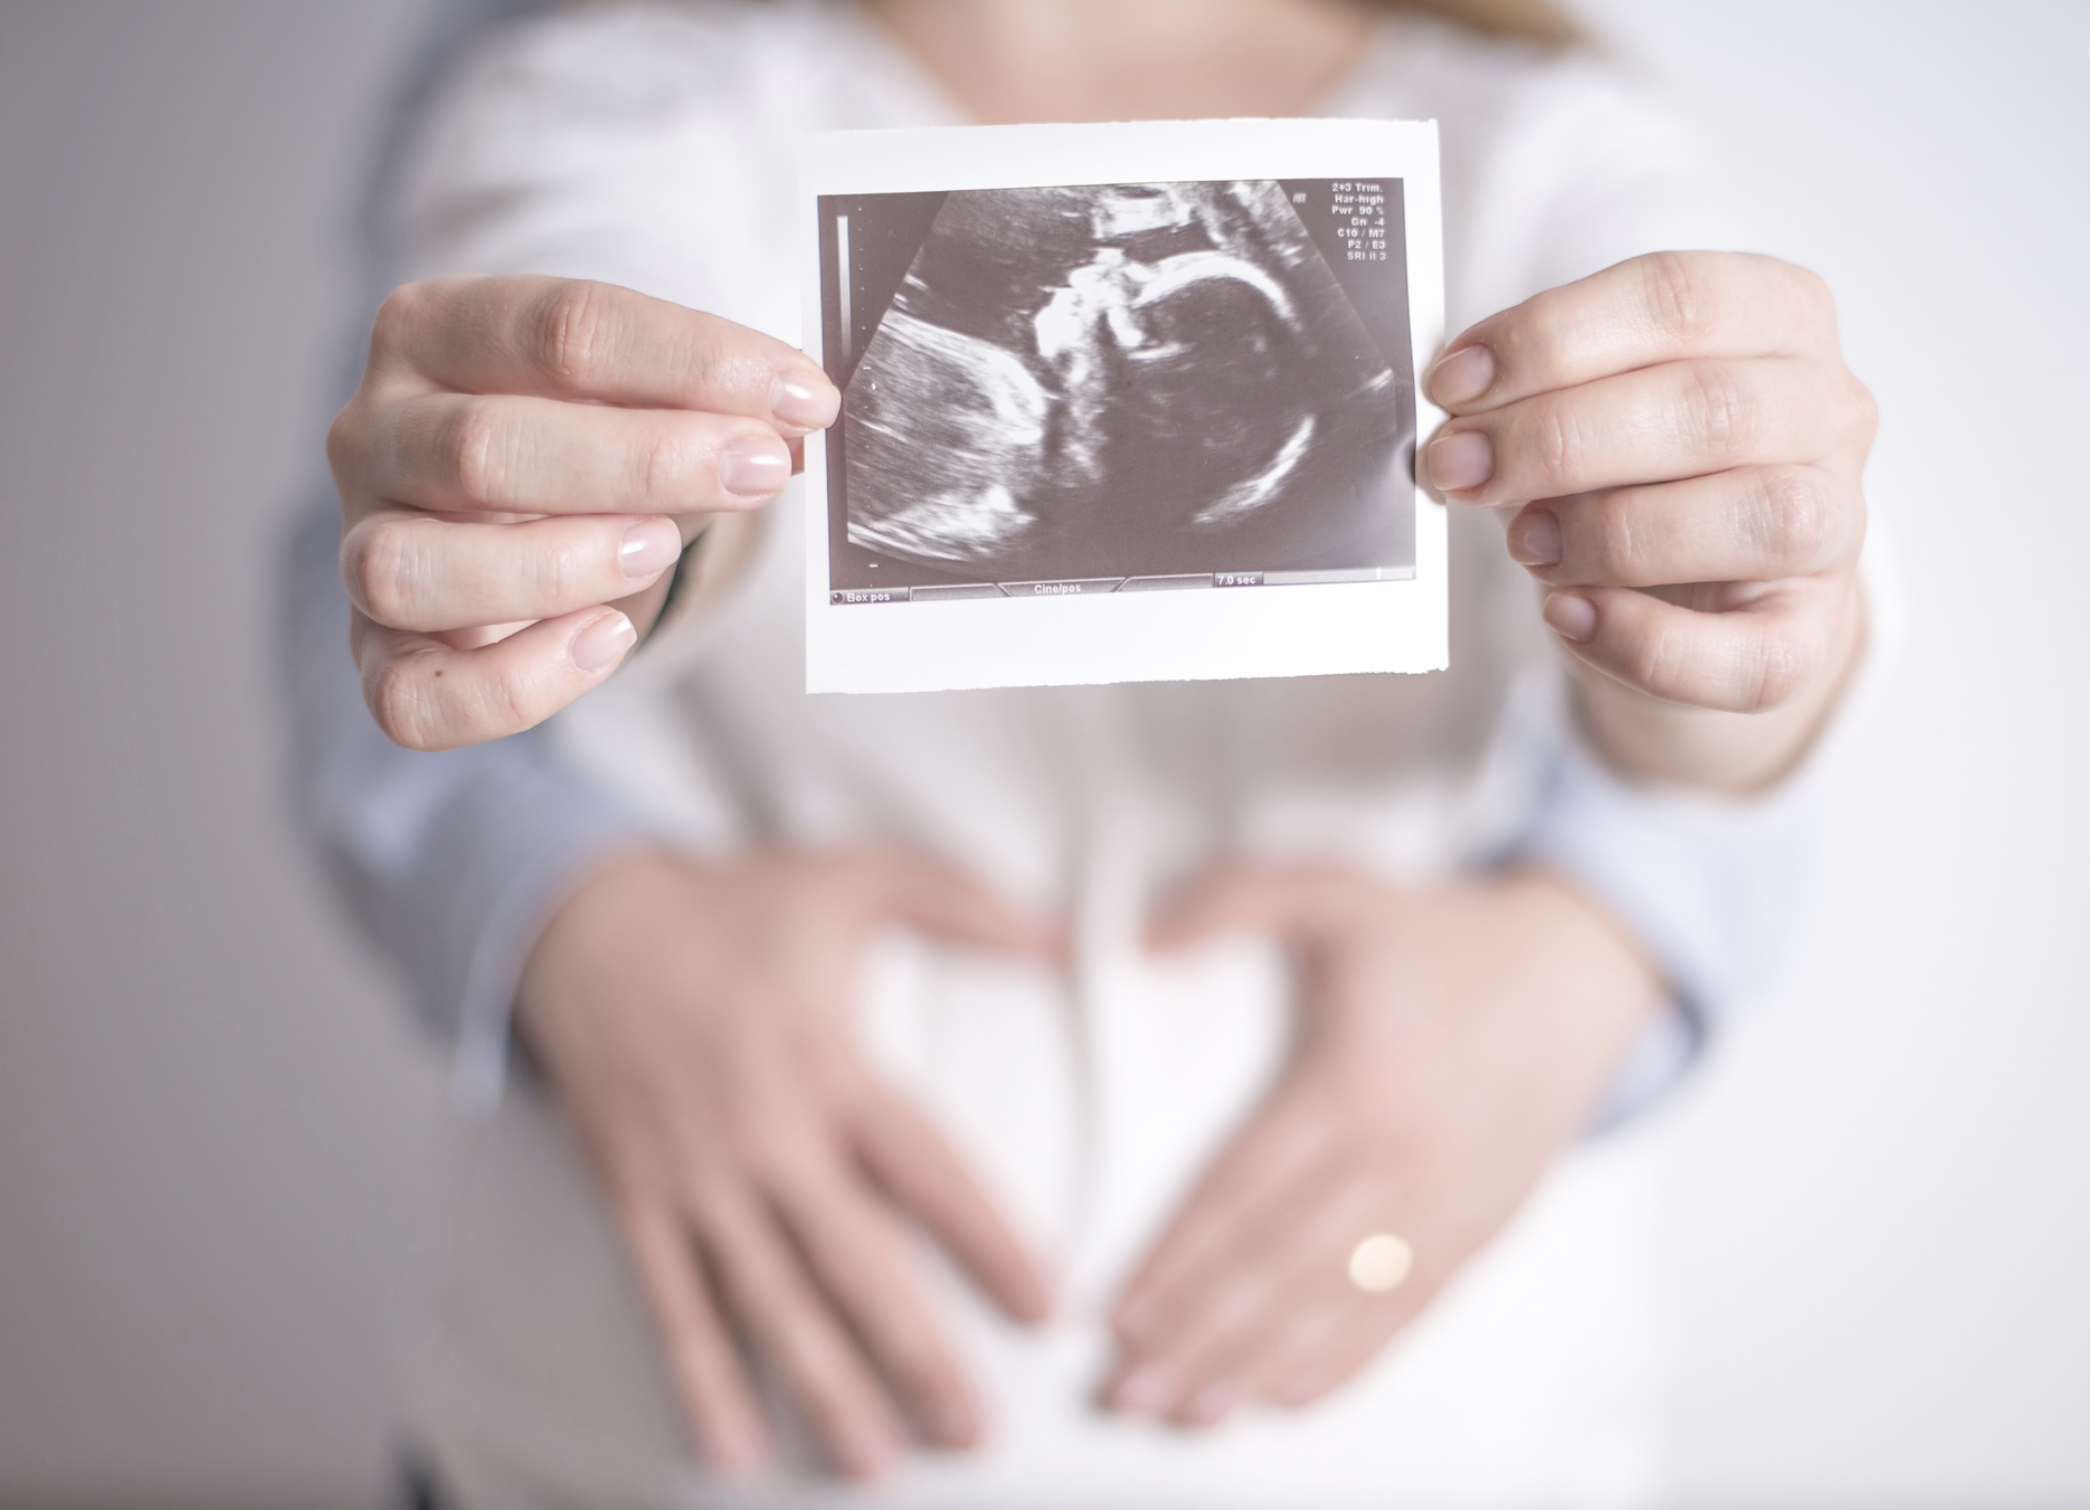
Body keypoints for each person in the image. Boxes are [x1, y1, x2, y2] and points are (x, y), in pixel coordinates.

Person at [287, 0, 1875, 1503]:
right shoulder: (618, 103)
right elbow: (616, 317)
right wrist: (612, 521)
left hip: (1448, 1444)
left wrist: (1716, 610)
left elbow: (1738, 706)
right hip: (616, 1456)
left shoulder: (1548, 149)